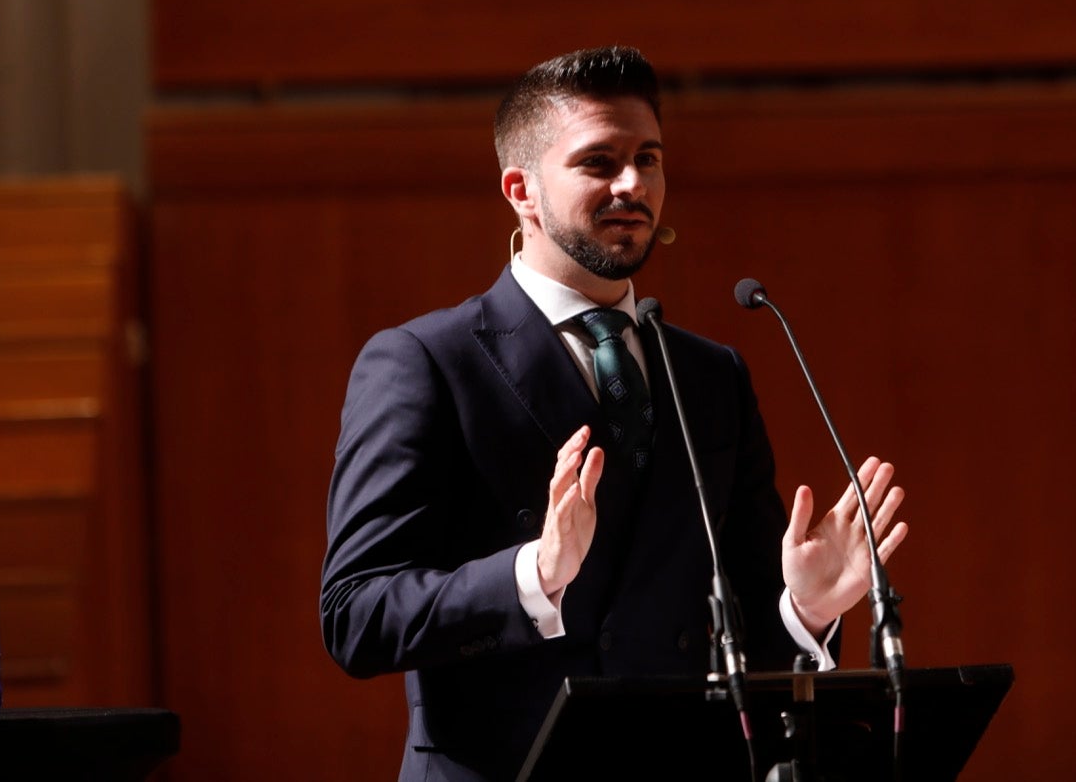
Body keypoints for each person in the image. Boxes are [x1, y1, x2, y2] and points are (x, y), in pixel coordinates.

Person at [321, 46, 907, 782]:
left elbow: (743, 633)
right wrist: (533, 575)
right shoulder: (425, 362)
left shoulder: (711, 375)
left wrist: (806, 610)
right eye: (599, 163)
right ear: (521, 190)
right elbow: (355, 615)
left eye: (649, 159)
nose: (633, 184)